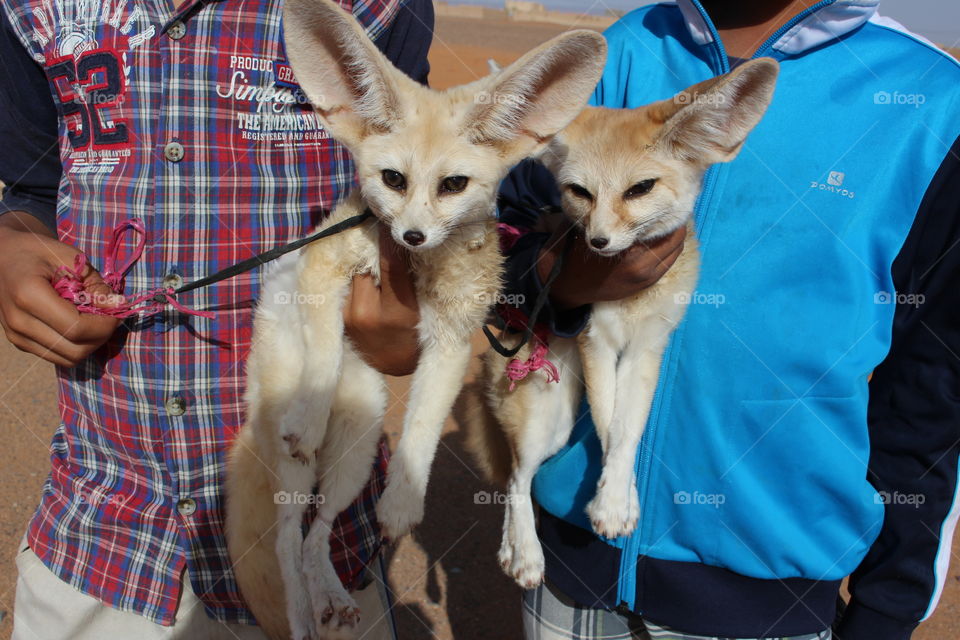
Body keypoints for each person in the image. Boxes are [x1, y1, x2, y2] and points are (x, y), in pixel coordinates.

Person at [499, 1, 960, 639]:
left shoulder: (932, 103)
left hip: (770, 600)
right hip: (571, 564)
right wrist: (562, 276)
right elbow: (497, 244)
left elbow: (932, 389)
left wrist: (886, 610)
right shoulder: (620, 51)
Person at [0, 0, 432, 637]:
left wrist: (403, 316)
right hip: (99, 537)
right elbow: (29, 188)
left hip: (313, 539)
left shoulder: (381, 8)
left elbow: (407, 198)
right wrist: (13, 244)